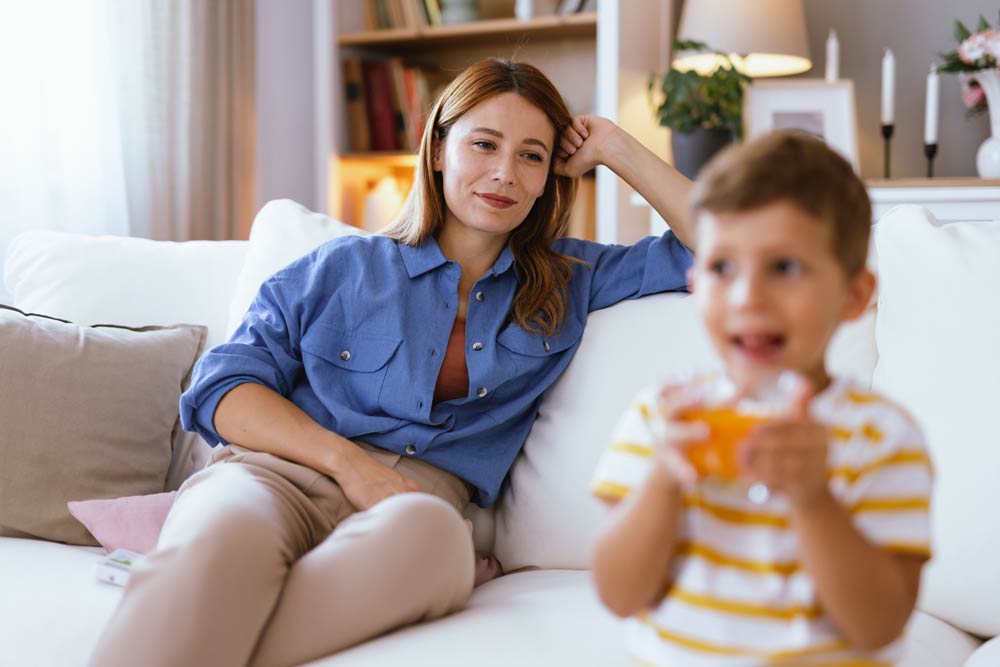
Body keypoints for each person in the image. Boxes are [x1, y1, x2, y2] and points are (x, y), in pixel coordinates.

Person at [89, 58, 695, 667]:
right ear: (437, 150)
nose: (504, 173)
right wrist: (349, 465)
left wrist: (618, 148)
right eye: (484, 144)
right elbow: (221, 387)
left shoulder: (572, 280)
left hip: (414, 512)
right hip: (273, 478)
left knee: (438, 547)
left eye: (532, 155)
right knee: (220, 540)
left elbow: (730, 246)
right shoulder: (340, 268)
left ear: (548, 178)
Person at [590, 131, 934, 666]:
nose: (749, 296)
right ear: (695, 284)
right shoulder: (666, 415)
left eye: (785, 267)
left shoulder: (881, 436)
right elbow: (617, 594)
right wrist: (661, 480)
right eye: (723, 267)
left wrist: (813, 498)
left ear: (854, 296)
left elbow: (879, 624)